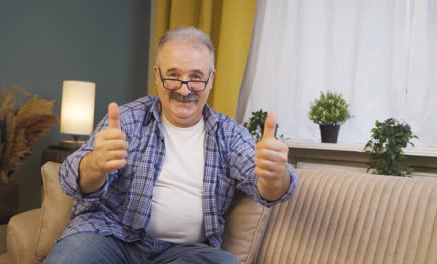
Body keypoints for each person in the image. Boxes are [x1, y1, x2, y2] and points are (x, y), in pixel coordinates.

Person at [44, 26, 297, 264]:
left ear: (211, 79)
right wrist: (96, 164)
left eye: (196, 77)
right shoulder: (128, 120)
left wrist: (275, 174)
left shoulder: (228, 135)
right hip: (109, 235)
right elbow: (69, 179)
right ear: (157, 75)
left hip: (183, 253)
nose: (184, 89)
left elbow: (271, 190)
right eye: (173, 76)